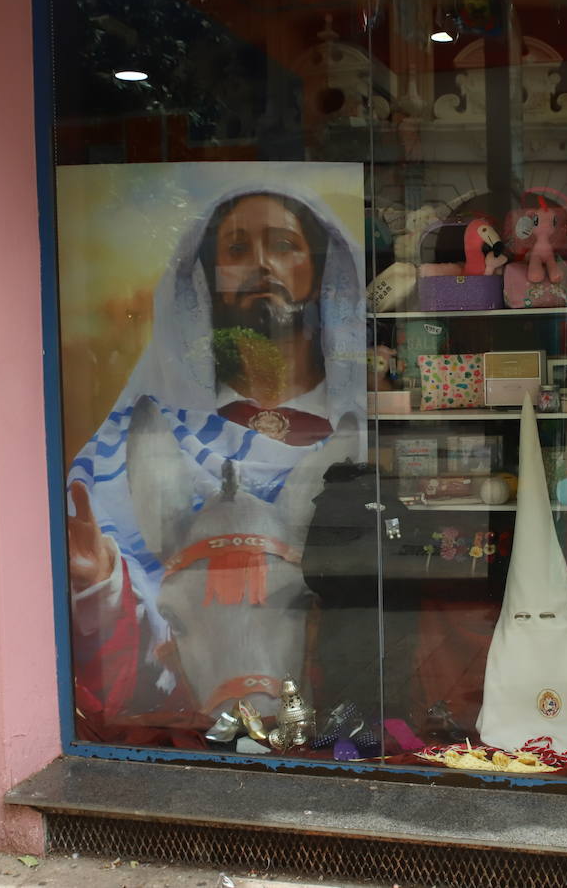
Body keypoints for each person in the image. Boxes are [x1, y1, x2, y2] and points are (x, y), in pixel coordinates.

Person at [63, 178, 366, 741]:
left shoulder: (363, 431)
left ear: (321, 271)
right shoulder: (123, 449)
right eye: (235, 250)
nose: (260, 264)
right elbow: (116, 619)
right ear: (205, 283)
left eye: (282, 245)